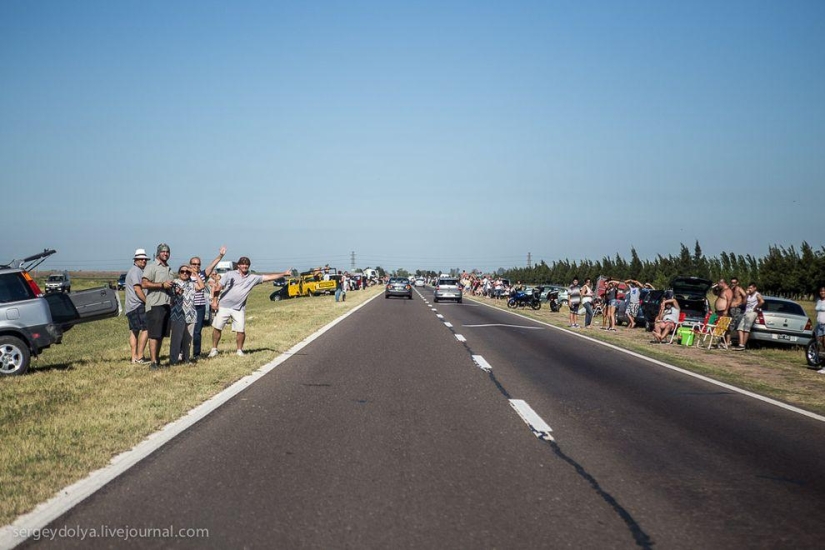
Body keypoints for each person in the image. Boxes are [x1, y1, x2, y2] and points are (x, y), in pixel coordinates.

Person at [208, 257, 292, 357]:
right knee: (217, 328)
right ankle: (214, 349)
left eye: (247, 264)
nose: (245, 266)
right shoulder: (229, 274)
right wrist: (214, 301)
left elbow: (268, 277)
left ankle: (239, 350)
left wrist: (283, 274)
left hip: (239, 308)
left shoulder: (252, 278)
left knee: (241, 330)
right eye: (242, 264)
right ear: (238, 265)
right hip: (224, 306)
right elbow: (218, 288)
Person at [189, 246, 227, 358]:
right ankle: (183, 353)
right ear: (190, 264)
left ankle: (196, 354)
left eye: (198, 264)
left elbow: (212, 265)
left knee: (197, 331)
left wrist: (221, 255)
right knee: (185, 331)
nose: (196, 266)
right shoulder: (185, 274)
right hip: (188, 306)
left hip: (200, 306)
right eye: (194, 264)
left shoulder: (202, 275)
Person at [142, 243, 175, 369]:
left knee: (161, 334)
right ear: (158, 253)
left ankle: (157, 360)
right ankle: (153, 362)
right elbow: (144, 283)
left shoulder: (169, 269)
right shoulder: (152, 267)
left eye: (167, 252)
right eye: (163, 252)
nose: (165, 254)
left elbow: (169, 286)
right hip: (155, 304)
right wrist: (161, 285)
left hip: (166, 304)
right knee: (154, 334)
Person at [169, 264, 204, 365]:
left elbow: (201, 286)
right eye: (182, 271)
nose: (185, 273)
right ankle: (173, 360)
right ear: (179, 272)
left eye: (187, 272)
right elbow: (171, 294)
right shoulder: (175, 282)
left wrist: (196, 274)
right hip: (178, 314)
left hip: (191, 314)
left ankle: (186, 359)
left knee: (188, 339)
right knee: (176, 339)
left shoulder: (192, 284)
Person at [125, 248, 150, 364]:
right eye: (141, 259)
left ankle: (134, 357)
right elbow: (137, 289)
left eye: (145, 259)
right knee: (146, 329)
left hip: (131, 306)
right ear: (136, 260)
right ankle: (140, 357)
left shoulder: (134, 270)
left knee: (134, 331)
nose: (143, 261)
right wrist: (146, 301)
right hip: (137, 305)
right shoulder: (136, 271)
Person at [733, 282, 765, 350]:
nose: (749, 289)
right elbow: (744, 303)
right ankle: (740, 344)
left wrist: (756, 307)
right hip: (746, 312)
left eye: (751, 288)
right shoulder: (749, 295)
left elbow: (762, 301)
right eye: (749, 288)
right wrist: (746, 295)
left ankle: (743, 345)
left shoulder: (757, 294)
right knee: (739, 328)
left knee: (746, 329)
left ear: (754, 288)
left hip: (752, 312)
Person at [727, 277, 747, 347]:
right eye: (732, 282)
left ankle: (738, 342)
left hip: (736, 309)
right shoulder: (730, 289)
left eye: (734, 283)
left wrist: (741, 304)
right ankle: (728, 342)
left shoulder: (739, 289)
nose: (733, 284)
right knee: (729, 324)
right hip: (731, 308)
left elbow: (745, 295)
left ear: (737, 283)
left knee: (734, 325)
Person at [815, 286, 825, 373]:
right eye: (821, 291)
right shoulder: (818, 301)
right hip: (819, 325)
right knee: (820, 346)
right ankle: (822, 365)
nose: (822, 292)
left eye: (824, 291)